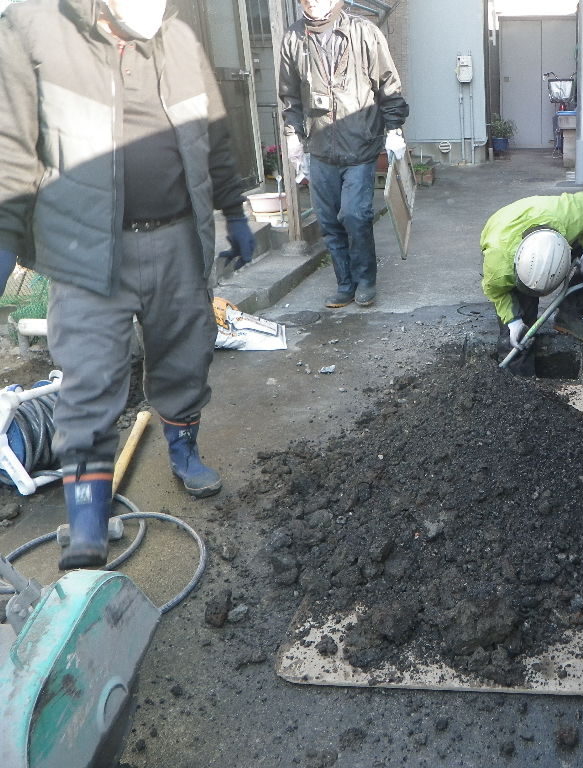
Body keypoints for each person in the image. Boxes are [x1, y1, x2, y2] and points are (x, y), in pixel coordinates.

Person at [0, 0, 256, 569]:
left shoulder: (178, 40)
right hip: (85, 250)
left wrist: (234, 209)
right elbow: (9, 147)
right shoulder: (34, 32)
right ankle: (88, 517)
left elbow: (213, 134)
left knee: (185, 355)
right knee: (89, 380)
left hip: (177, 239)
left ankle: (184, 452)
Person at [279, 0, 409, 309]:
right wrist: (293, 136)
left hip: (360, 144)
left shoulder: (364, 32)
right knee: (328, 221)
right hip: (320, 146)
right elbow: (290, 95)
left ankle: (365, 280)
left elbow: (388, 84)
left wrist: (394, 129)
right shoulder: (294, 38)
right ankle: (344, 284)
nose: (311, 1)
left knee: (354, 215)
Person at [480, 191, 583, 374]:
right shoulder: (498, 267)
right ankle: (519, 380)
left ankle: (569, 316)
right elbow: (496, 292)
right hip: (508, 242)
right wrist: (513, 321)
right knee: (519, 336)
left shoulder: (572, 216)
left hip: (552, 231)